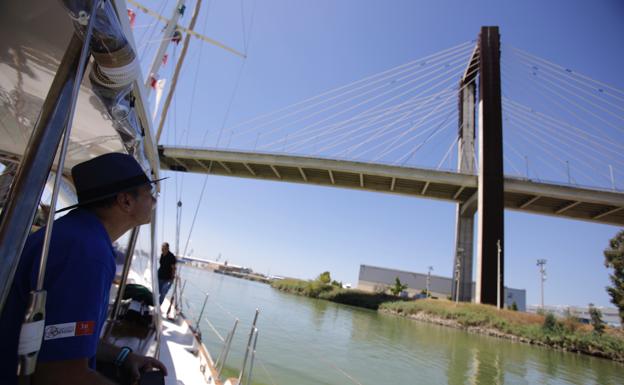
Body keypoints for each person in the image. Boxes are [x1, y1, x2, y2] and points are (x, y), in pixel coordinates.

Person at [0, 153, 168, 385]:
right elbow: (59, 376)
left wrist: (123, 356)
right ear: (126, 201)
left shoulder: (75, 234)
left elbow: (60, 340)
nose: (153, 199)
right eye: (150, 193)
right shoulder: (86, 254)